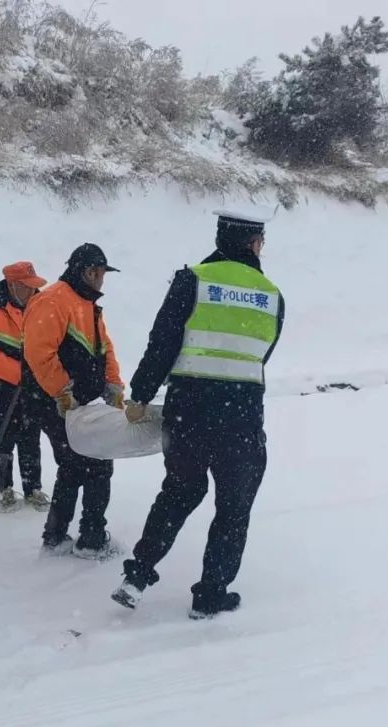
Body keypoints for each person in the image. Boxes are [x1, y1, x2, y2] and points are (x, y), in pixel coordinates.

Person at [111, 209, 286, 618]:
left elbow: (163, 342)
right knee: (233, 506)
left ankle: (137, 575)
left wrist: (141, 394)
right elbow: (264, 353)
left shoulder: (193, 279)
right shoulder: (272, 295)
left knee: (179, 491)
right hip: (240, 417)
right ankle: (210, 594)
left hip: (188, 411)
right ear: (254, 243)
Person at [23, 243, 126, 560]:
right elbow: (39, 354)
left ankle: (55, 538)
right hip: (53, 403)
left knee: (72, 467)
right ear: (89, 272)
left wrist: (113, 384)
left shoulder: (85, 303)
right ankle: (91, 540)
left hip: (78, 402)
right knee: (97, 464)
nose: (103, 280)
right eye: (101, 274)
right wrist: (62, 393)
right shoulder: (53, 301)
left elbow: (103, 347)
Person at [0, 261, 52, 512]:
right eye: (28, 287)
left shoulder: (41, 306)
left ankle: (32, 487)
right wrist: (19, 373)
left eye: (35, 286)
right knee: (1, 436)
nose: (33, 291)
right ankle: (3, 488)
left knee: (31, 436)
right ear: (12, 285)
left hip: (32, 386)